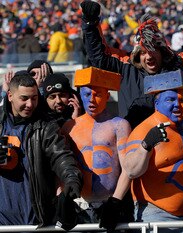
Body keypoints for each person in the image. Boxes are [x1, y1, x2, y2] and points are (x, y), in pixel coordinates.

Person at [80, 0, 183, 129]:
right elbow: (100, 57)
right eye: (143, 52)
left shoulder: (179, 65)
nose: (148, 56)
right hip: (134, 147)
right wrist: (90, 23)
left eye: (153, 50)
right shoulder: (125, 66)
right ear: (136, 54)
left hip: (175, 148)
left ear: (162, 51)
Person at [122, 70, 183, 233]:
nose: (178, 105)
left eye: (182, 100)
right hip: (159, 217)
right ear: (157, 103)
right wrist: (146, 145)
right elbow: (131, 171)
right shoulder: (143, 130)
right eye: (170, 99)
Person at [0, 71, 82, 229]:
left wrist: (71, 182)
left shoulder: (46, 126)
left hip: (36, 220)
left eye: (34, 98)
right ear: (10, 96)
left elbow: (62, 157)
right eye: (24, 98)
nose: (30, 104)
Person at [61, 66, 133, 229]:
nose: (92, 100)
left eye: (98, 94)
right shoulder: (69, 127)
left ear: (107, 96)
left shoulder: (119, 125)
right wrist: (62, 197)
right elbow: (60, 166)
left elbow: (128, 168)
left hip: (111, 203)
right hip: (79, 205)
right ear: (80, 95)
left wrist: (116, 201)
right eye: (87, 94)